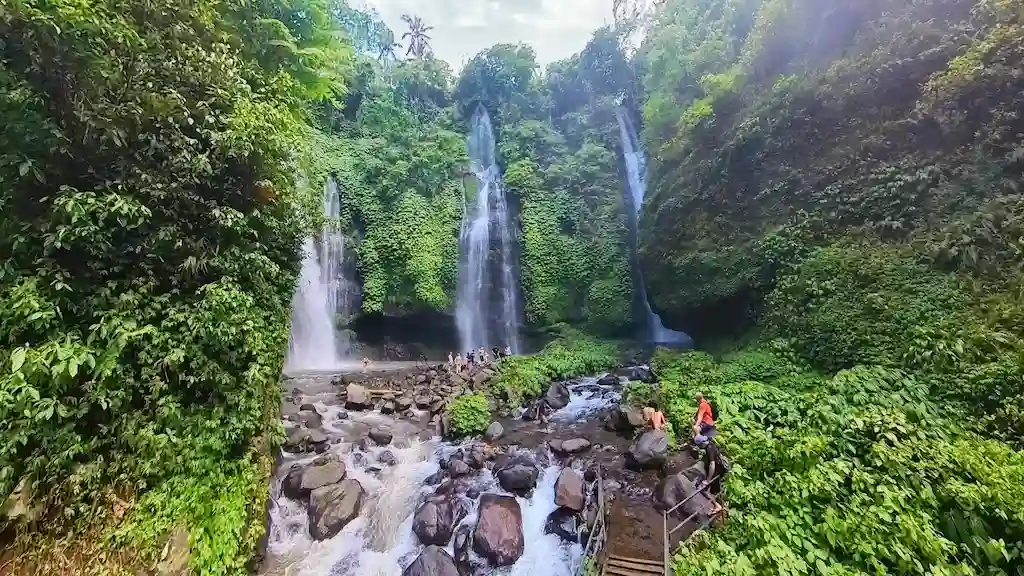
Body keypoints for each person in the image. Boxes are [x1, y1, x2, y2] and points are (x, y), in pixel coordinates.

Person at [694, 435, 725, 515]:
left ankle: (717, 506)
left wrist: (708, 480)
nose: (699, 447)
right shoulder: (711, 444)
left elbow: (712, 465)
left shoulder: (709, 449)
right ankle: (721, 506)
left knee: (702, 489)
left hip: (715, 472)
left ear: (701, 444)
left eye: (699, 445)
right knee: (716, 490)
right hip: (719, 471)